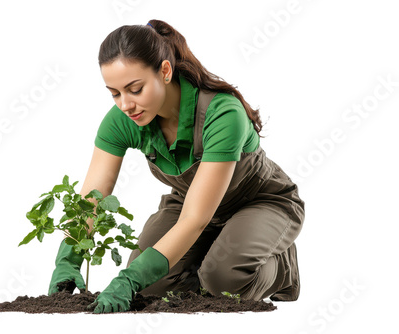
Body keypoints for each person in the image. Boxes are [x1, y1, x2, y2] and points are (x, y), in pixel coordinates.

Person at [48, 19, 305, 314]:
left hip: (260, 202)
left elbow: (194, 220)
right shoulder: (123, 120)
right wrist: (67, 260)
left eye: (135, 89)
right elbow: (92, 196)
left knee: (223, 281)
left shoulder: (222, 113)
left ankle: (283, 268)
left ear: (165, 72)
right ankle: (217, 255)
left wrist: (128, 279)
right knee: (150, 286)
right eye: (115, 93)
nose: (125, 105)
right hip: (191, 203)